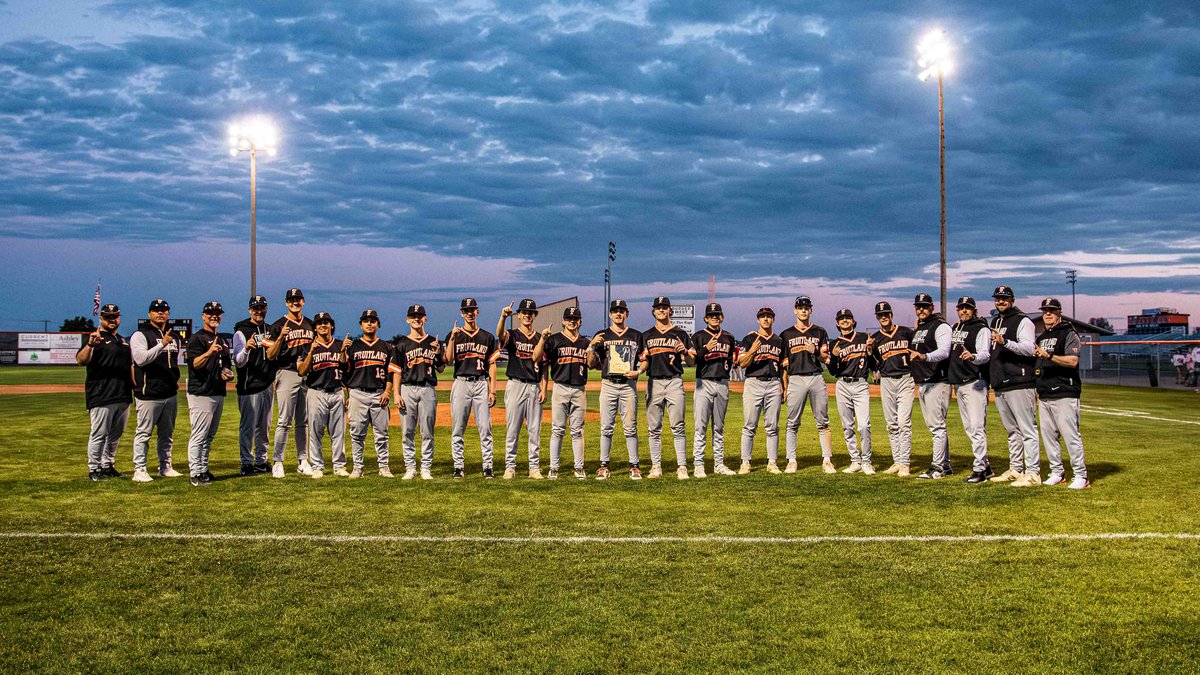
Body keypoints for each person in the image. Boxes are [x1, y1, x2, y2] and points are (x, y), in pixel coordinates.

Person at [987, 285, 1042, 486]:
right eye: (998, 298)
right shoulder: (997, 321)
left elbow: (1029, 349)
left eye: (1004, 298)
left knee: (1027, 429)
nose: (1000, 301)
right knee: (1012, 430)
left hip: (1020, 380)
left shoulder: (1023, 320)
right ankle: (1016, 469)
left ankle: (1033, 473)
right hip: (1002, 381)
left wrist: (1005, 342)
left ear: (1012, 299)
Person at [588, 299, 647, 480]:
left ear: (626, 314)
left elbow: (645, 360)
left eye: (621, 311)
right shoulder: (602, 335)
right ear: (610, 314)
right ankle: (603, 465)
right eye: (615, 311)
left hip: (628, 385)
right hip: (608, 384)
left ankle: (634, 466)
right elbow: (591, 364)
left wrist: (638, 371)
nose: (618, 314)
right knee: (606, 427)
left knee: (630, 427)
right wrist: (591, 346)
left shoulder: (636, 335)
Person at [1034, 298, 1090, 489]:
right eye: (1045, 311)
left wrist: (1049, 355)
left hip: (1065, 390)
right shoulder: (1041, 337)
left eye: (1051, 311)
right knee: (1049, 437)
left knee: (1070, 435)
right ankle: (1057, 473)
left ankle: (1081, 475)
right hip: (1045, 392)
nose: (1047, 314)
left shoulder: (1068, 332)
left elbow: (1073, 361)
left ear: (1059, 313)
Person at [445, 298, 500, 479]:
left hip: (480, 383)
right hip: (461, 382)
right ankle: (458, 467)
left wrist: (492, 390)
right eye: (466, 310)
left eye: (472, 309)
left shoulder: (487, 337)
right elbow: (449, 360)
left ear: (478, 311)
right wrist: (452, 338)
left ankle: (488, 467)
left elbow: (492, 365)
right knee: (458, 427)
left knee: (485, 427)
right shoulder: (455, 334)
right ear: (461, 313)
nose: (469, 313)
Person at [76, 303, 132, 481]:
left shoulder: (123, 341)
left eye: (115, 316)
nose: (112, 320)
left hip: (122, 394)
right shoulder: (95, 338)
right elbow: (80, 360)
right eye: (108, 317)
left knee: (116, 434)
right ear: (101, 319)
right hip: (102, 395)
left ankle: (107, 465)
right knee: (99, 434)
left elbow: (129, 367)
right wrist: (90, 346)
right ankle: (94, 469)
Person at [533, 306, 590, 480]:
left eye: (575, 319)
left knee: (577, 431)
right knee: (557, 430)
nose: (572, 322)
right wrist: (542, 339)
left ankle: (579, 467)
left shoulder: (585, 343)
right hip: (560, 387)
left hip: (579, 389)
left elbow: (594, 364)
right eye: (569, 319)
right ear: (563, 321)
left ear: (580, 321)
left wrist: (593, 349)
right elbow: (536, 358)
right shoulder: (554, 339)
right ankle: (554, 468)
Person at [129, 298, 183, 482]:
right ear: (149, 314)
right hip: (148, 392)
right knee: (144, 433)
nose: (161, 313)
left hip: (169, 392)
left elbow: (174, 363)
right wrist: (161, 344)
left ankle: (165, 466)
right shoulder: (140, 335)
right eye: (156, 310)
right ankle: (140, 469)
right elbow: (140, 359)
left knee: (167, 434)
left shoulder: (174, 336)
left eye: (164, 310)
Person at [343, 309, 400, 478]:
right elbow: (345, 373)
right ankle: (357, 467)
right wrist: (349, 394)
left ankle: (383, 467)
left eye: (372, 321)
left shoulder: (387, 347)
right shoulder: (353, 346)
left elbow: (392, 372)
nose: (369, 323)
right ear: (361, 325)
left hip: (378, 394)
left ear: (378, 325)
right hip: (357, 393)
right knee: (356, 434)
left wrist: (387, 392)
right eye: (366, 321)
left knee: (381, 434)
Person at [780, 295, 833, 474]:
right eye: (800, 307)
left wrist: (815, 351)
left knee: (823, 421)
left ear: (811, 310)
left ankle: (827, 459)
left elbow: (826, 359)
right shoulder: (786, 334)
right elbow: (784, 366)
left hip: (816, 377)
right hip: (795, 378)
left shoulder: (819, 331)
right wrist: (784, 387)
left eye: (806, 307)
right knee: (792, 422)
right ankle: (791, 460)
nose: (803, 310)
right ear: (795, 310)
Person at [643, 296, 694, 479]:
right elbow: (644, 361)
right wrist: (637, 370)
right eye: (658, 307)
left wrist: (685, 351)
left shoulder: (680, 333)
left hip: (674, 381)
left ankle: (682, 466)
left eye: (665, 307)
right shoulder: (647, 335)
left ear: (670, 310)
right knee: (654, 428)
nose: (661, 310)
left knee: (678, 426)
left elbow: (691, 361)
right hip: (654, 382)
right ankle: (656, 466)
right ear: (653, 311)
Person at [496, 299, 547, 479]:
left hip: (534, 385)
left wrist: (544, 388)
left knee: (534, 429)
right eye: (524, 312)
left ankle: (534, 467)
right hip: (515, 384)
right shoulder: (513, 334)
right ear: (519, 315)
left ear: (535, 315)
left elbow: (544, 366)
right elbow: (500, 334)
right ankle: (510, 467)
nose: (527, 315)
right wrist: (503, 316)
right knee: (513, 428)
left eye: (530, 312)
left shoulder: (540, 337)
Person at [185, 301, 233, 486]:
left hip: (217, 391)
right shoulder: (197, 339)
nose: (214, 316)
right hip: (201, 392)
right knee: (199, 434)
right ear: (203, 316)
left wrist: (226, 373)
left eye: (218, 313)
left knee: (209, 435)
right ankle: (195, 473)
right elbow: (194, 364)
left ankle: (203, 469)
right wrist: (209, 352)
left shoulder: (221, 340)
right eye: (210, 313)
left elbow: (226, 366)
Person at [269, 288, 315, 478]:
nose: (295, 302)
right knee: (284, 420)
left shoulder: (311, 324)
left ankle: (302, 460)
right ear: (286, 303)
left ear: (303, 301)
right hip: (287, 371)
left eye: (298, 299)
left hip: (307, 375)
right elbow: (270, 354)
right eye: (291, 300)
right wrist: (281, 337)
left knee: (303, 421)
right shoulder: (278, 325)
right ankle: (278, 461)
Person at [395, 304, 444, 480]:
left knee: (427, 431)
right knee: (407, 431)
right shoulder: (401, 344)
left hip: (427, 388)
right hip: (407, 388)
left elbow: (441, 368)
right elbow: (397, 371)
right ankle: (410, 467)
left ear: (425, 318)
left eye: (420, 316)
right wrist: (396, 393)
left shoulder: (433, 342)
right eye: (413, 316)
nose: (416, 319)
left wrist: (437, 353)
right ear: (408, 319)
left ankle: (425, 467)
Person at [948, 296, 993, 483]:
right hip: (959, 384)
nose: (964, 311)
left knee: (976, 427)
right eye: (961, 308)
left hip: (975, 382)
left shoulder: (981, 328)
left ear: (974, 310)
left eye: (968, 308)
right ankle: (986, 466)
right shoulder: (955, 328)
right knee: (969, 427)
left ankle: (980, 469)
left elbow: (985, 354)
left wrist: (973, 356)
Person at [297, 311, 347, 480]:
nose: (323, 325)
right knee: (315, 432)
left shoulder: (340, 345)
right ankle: (317, 466)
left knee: (338, 432)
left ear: (331, 325)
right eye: (319, 323)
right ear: (315, 328)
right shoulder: (307, 347)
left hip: (336, 391)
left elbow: (347, 370)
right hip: (316, 392)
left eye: (326, 322)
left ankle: (339, 465)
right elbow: (302, 371)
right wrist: (311, 352)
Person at [868, 301, 915, 477]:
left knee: (904, 422)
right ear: (877, 317)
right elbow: (874, 365)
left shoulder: (906, 332)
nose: (883, 317)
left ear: (891, 314)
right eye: (880, 315)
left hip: (905, 378)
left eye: (886, 314)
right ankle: (897, 461)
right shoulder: (875, 338)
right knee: (891, 424)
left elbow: (916, 352)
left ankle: (905, 463)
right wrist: (868, 352)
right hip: (886, 380)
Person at [910, 293, 954, 480]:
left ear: (932, 307)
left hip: (939, 380)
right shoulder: (921, 327)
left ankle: (937, 468)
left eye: (925, 306)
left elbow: (945, 351)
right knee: (934, 425)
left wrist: (925, 357)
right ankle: (945, 464)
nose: (921, 309)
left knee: (937, 426)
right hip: (925, 381)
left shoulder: (941, 326)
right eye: (918, 306)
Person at [692, 302, 738, 477]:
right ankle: (698, 464)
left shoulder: (728, 337)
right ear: (705, 318)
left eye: (717, 315)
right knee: (700, 426)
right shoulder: (698, 336)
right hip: (703, 382)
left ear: (722, 317)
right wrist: (705, 349)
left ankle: (719, 463)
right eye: (711, 315)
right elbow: (693, 360)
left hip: (722, 382)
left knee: (719, 426)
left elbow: (731, 359)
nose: (715, 318)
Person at [231, 295, 276, 476]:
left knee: (264, 427)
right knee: (248, 427)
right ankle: (246, 462)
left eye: (262, 307)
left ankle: (261, 461)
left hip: (266, 385)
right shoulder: (241, 331)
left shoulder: (270, 330)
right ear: (250, 310)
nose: (259, 311)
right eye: (255, 308)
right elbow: (238, 362)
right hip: (249, 386)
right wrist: (247, 348)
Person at [737, 307, 785, 474]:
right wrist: (752, 350)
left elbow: (782, 367)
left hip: (773, 383)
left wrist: (783, 386)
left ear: (773, 319)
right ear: (758, 320)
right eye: (762, 317)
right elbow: (742, 364)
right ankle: (745, 462)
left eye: (769, 317)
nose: (766, 319)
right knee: (749, 425)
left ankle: (772, 462)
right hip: (753, 382)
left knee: (772, 426)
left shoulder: (778, 341)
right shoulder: (749, 338)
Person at [828, 308, 873, 474]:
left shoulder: (864, 337)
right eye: (842, 319)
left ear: (853, 321)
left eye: (848, 318)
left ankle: (867, 461)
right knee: (847, 425)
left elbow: (873, 363)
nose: (845, 321)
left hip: (860, 383)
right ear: (837, 323)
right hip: (842, 384)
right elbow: (832, 371)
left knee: (864, 425)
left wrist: (869, 350)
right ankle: (855, 460)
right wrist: (833, 357)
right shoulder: (835, 343)